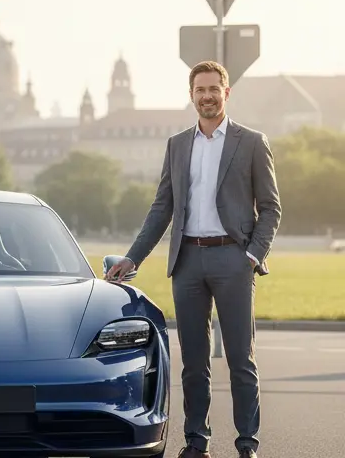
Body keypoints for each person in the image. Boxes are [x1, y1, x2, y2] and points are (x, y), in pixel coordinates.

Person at [105, 61, 281, 458]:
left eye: (213, 89)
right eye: (200, 89)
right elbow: (161, 208)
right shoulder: (177, 144)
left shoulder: (251, 142)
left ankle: (247, 442)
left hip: (234, 260)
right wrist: (133, 258)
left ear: (226, 92)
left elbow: (271, 207)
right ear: (191, 95)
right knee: (193, 364)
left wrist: (252, 255)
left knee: (240, 359)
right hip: (186, 263)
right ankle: (196, 442)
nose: (207, 96)